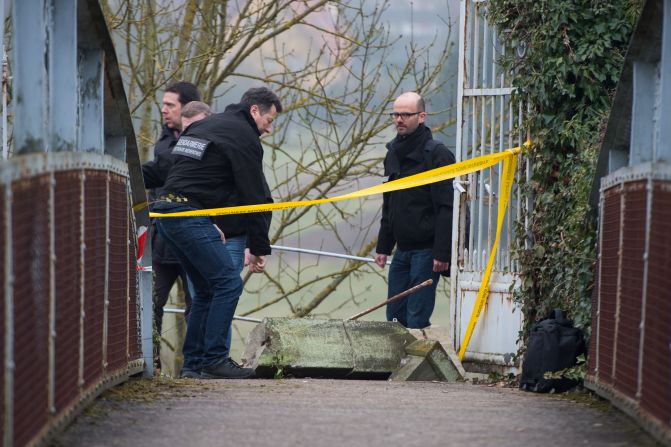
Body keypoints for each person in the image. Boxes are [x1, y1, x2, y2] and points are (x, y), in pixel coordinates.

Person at [152, 87, 282, 379]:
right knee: (227, 283)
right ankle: (214, 360)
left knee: (207, 290)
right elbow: (256, 197)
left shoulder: (204, 125)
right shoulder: (243, 136)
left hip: (167, 213)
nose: (269, 128)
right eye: (269, 120)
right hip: (188, 215)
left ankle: (193, 365)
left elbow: (190, 177)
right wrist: (260, 247)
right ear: (254, 111)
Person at [374, 91, 455, 329]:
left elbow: (446, 207)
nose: (399, 119)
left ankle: (417, 365)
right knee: (395, 319)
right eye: (396, 114)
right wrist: (383, 246)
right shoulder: (392, 153)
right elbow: (390, 203)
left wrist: (442, 252)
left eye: (406, 115)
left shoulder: (437, 155)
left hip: (427, 251)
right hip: (402, 251)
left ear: (421, 117)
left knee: (416, 319)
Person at [142, 81, 201, 369]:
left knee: (198, 305)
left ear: (187, 108)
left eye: (170, 105)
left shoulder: (203, 141)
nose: (163, 110)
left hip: (194, 240)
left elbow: (165, 169)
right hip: (162, 242)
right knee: (149, 303)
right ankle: (148, 362)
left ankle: (196, 365)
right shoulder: (163, 140)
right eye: (162, 104)